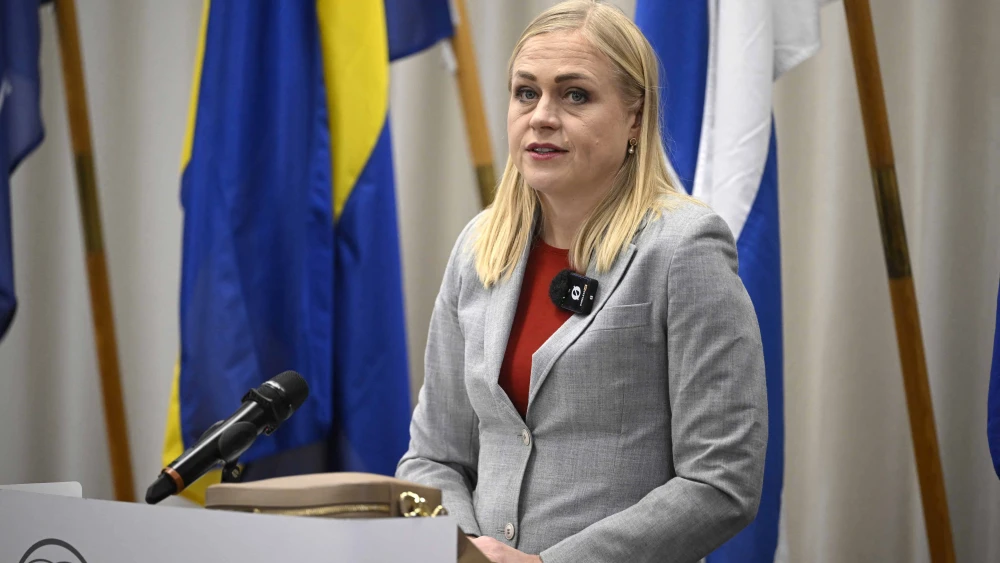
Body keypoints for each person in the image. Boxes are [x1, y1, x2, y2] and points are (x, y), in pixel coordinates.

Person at [396, 1, 767, 561]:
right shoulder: (478, 248)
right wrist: (466, 549)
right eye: (526, 92)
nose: (542, 116)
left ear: (635, 118)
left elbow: (721, 481)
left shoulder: (683, 248)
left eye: (575, 95)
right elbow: (432, 459)